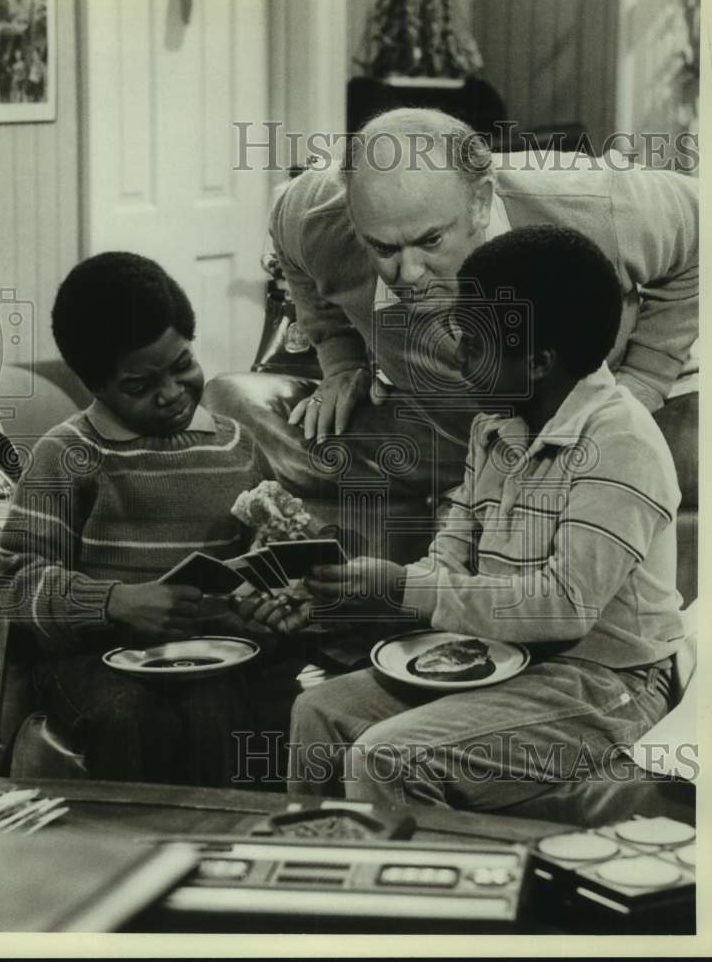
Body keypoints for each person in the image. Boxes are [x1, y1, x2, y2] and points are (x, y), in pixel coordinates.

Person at [241, 225, 684, 812]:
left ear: (538, 362)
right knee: (318, 711)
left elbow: (564, 605)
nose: (458, 359)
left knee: (386, 757)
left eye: (473, 347)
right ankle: (322, 874)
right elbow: (450, 554)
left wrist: (403, 586)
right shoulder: (494, 423)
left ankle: (412, 895)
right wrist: (346, 594)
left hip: (607, 681)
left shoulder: (619, 441)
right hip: (501, 655)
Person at [210, 107, 698, 499]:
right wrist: (339, 359)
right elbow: (287, 238)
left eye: (430, 241)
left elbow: (705, 224)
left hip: (599, 406)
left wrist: (645, 383)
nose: (408, 275)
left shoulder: (592, 200)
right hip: (445, 425)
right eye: (382, 248)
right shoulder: (313, 212)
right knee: (226, 402)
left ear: (481, 202)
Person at [0, 252, 275, 785]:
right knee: (133, 717)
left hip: (213, 653)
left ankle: (220, 853)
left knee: (226, 713)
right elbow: (14, 581)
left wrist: (264, 598)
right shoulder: (68, 453)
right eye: (139, 387)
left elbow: (263, 561)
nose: (171, 393)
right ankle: (133, 857)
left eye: (182, 365)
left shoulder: (237, 447)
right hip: (92, 660)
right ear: (95, 386)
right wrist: (115, 602)